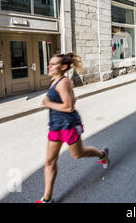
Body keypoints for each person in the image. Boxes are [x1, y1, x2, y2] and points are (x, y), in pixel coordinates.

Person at [36, 53, 110, 203]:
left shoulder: (63, 82)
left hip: (68, 126)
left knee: (78, 154)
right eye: (49, 63)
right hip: (55, 126)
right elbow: (69, 100)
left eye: (53, 64)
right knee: (50, 161)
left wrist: (48, 103)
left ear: (63, 67)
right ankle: (47, 199)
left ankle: (102, 155)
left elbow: (69, 106)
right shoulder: (54, 80)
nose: (49, 66)